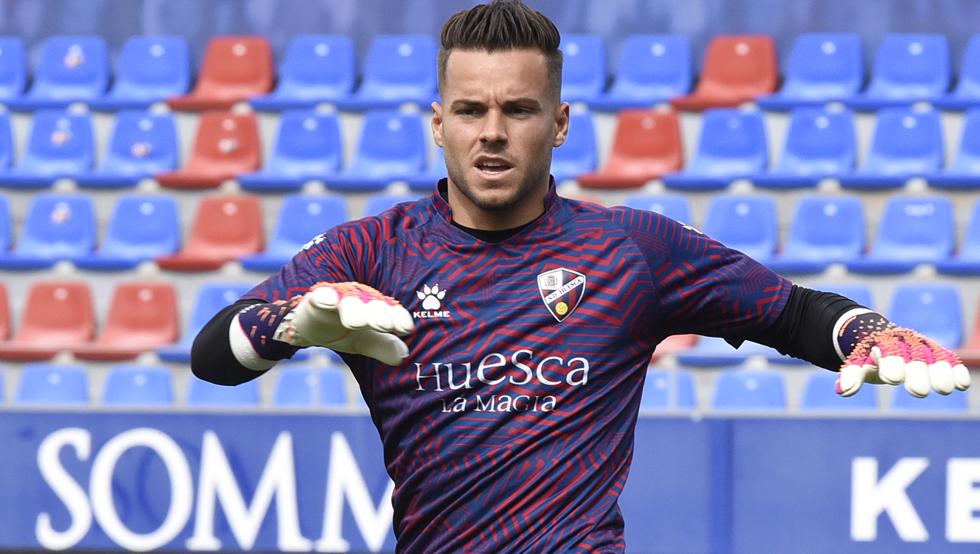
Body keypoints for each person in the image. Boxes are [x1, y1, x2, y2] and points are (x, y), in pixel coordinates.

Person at [191, 1, 971, 551]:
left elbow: (792, 312)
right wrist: (290, 325)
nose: (492, 133)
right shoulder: (371, 255)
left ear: (559, 123)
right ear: (438, 123)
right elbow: (211, 355)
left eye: (519, 109)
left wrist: (869, 332)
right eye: (469, 111)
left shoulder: (631, 250)